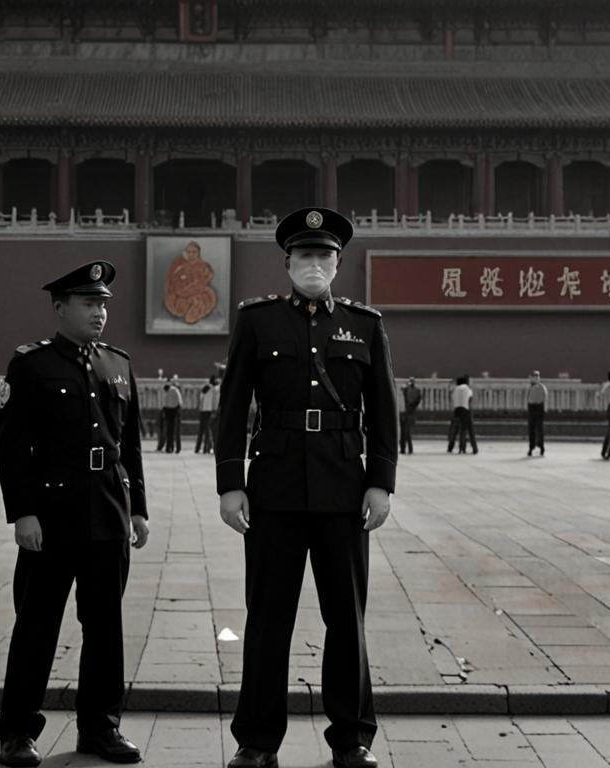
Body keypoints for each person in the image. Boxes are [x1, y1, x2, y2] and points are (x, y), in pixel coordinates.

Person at [215, 207, 397, 768]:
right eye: (304, 256)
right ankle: (256, 740)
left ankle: (352, 739)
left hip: (344, 489)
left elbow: (384, 411)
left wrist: (381, 484)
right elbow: (233, 405)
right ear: (287, 262)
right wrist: (231, 483)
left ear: (338, 263)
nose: (314, 264)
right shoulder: (257, 321)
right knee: (269, 616)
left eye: (324, 256)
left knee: (346, 617)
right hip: (273, 487)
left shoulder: (365, 325)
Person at [0, 260, 148, 767]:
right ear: (60, 308)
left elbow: (130, 445)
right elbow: (13, 448)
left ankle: (100, 727)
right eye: (88, 303)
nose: (99, 312)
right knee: (37, 625)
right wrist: (23, 514)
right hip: (53, 515)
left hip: (107, 513)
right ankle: (18, 731)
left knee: (105, 628)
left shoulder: (118, 364)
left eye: (103, 303)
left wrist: (138, 510)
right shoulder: (32, 364)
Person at [447, 376, 477, 454]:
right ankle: (468, 448)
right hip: (465, 410)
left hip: (457, 410)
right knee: (467, 430)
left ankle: (450, 447)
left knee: (455, 430)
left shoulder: (455, 389)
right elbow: (470, 399)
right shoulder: (468, 389)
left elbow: (452, 398)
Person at [525, 370, 547, 457]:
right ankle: (533, 446)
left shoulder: (539, 387)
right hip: (534, 408)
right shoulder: (533, 387)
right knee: (533, 429)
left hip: (537, 408)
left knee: (537, 429)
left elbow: (542, 398)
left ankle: (539, 446)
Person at [196, 375, 220, 454]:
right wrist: (215, 410)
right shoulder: (213, 389)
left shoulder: (204, 388)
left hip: (202, 411)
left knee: (201, 430)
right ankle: (206, 448)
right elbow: (214, 401)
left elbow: (200, 399)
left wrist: (200, 408)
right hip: (209, 411)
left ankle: (197, 448)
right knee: (208, 430)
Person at [400, 377, 421, 454]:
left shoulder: (409, 390)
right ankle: (407, 449)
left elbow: (415, 401)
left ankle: (405, 449)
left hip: (408, 413)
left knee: (406, 432)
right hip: (408, 413)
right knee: (406, 432)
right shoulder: (411, 390)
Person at [162, 376, 183, 453]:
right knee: (170, 431)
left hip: (174, 411)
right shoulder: (167, 391)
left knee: (173, 431)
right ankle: (170, 447)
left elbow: (179, 402)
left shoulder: (174, 390)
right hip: (170, 411)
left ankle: (174, 447)